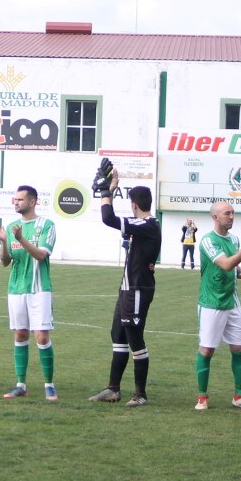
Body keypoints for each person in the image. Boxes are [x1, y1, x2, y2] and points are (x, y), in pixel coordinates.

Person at [88, 165, 161, 407]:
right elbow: (118, 221)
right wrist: (111, 189)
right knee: (117, 334)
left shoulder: (148, 224)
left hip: (138, 288)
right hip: (128, 288)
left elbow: (108, 218)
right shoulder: (141, 224)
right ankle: (113, 389)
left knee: (134, 337)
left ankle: (140, 394)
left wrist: (105, 193)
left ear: (134, 204)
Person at [194, 201, 241, 410]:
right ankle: (202, 397)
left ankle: (239, 396)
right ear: (215, 217)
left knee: (240, 348)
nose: (232, 216)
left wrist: (240, 272)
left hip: (231, 301)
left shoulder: (233, 239)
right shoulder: (207, 241)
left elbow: (233, 264)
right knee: (206, 350)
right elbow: (225, 263)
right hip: (211, 303)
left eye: (233, 213)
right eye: (227, 213)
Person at [0, 185, 57, 401]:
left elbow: (40, 255)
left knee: (41, 335)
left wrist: (20, 239)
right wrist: (3, 241)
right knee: (20, 334)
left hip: (39, 289)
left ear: (32, 201)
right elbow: (4, 262)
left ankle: (49, 384)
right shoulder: (11, 227)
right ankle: (21, 384)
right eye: (15, 200)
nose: (16, 203)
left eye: (20, 200)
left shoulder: (46, 225)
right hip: (16, 289)